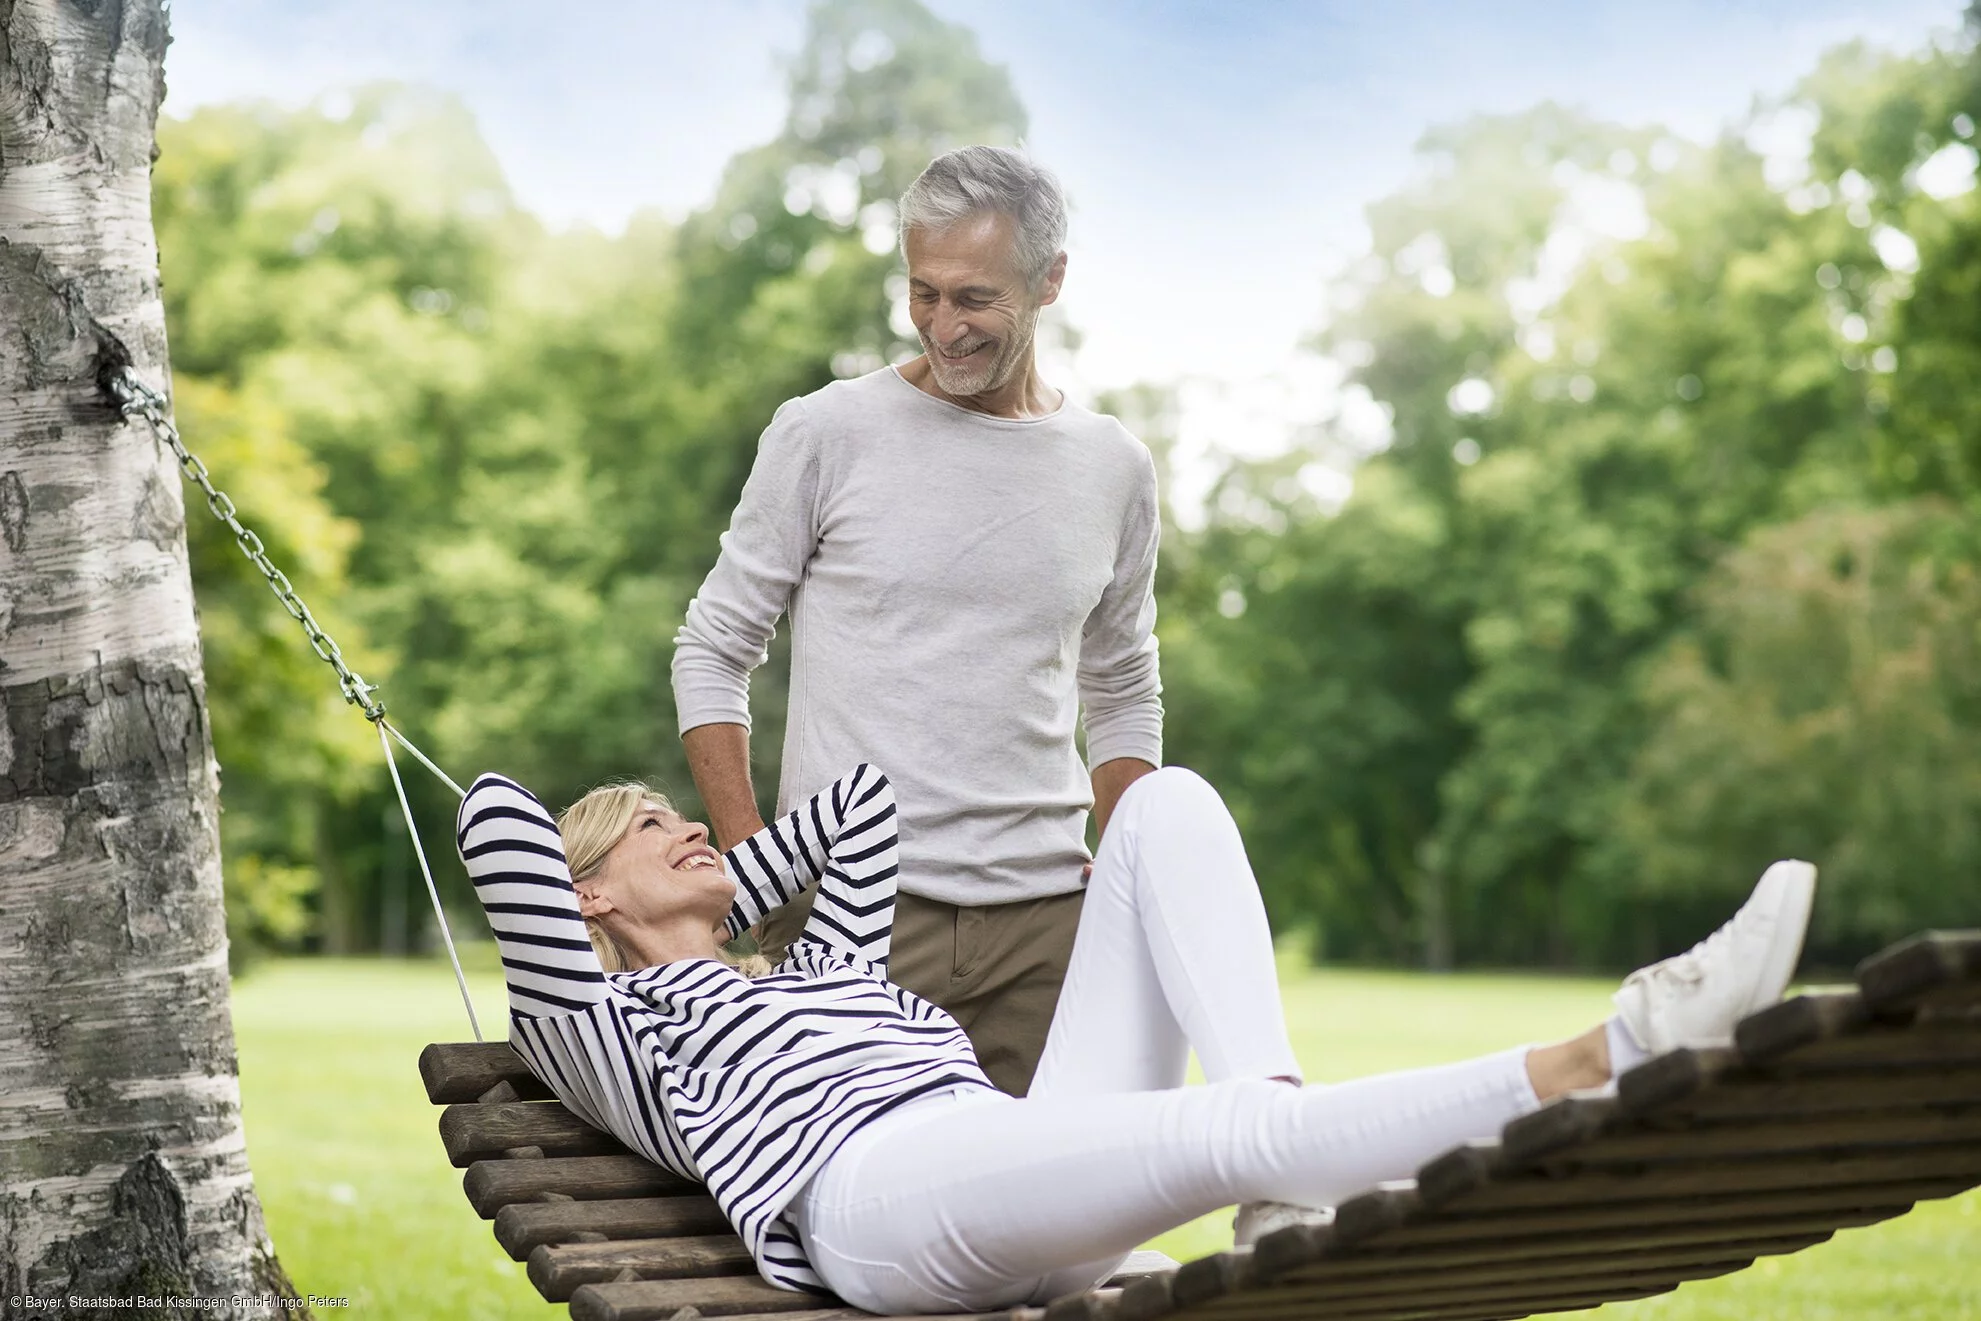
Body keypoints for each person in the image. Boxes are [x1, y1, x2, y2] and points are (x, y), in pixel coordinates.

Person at [456, 762, 1817, 1315]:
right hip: (873, 1202)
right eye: (654, 828)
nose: (694, 826)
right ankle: (1616, 1050)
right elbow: (497, 818)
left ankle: (1285, 1173)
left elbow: (863, 810)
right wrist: (666, 916)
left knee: (1164, 802)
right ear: (586, 899)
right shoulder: (603, 1023)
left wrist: (709, 891)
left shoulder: (817, 968)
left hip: (997, 1149)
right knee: (1216, 1135)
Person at [670, 145, 1162, 1096]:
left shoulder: (1113, 466)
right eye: (923, 292)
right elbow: (712, 648)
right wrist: (753, 867)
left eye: (975, 298)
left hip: (1047, 921)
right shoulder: (826, 431)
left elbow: (1122, 681)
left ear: (1050, 279)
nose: (945, 325)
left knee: (1051, 1224)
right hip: (853, 914)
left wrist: (1126, 858)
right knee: (859, 1220)